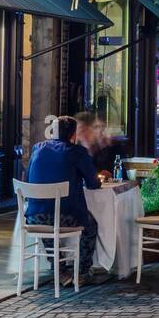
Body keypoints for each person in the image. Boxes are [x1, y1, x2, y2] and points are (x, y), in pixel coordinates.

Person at [26, 115, 103, 284]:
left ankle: (59, 270)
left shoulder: (37, 148)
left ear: (53, 132)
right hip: (67, 217)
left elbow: (26, 179)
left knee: (46, 223)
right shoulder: (77, 152)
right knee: (90, 227)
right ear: (73, 135)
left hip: (34, 217)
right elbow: (93, 184)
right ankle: (82, 272)